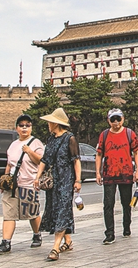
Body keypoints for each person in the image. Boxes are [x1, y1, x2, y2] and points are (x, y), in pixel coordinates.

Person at [33, 107, 81, 262]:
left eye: (50, 122)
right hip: (53, 181)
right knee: (56, 210)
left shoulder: (70, 138)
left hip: (66, 180)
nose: (48, 124)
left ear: (56, 123)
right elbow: (45, 160)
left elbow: (76, 160)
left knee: (62, 210)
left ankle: (55, 247)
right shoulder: (51, 139)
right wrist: (37, 177)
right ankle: (68, 241)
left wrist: (78, 180)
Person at [0, 114, 45, 255]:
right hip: (12, 185)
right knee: (9, 214)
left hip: (29, 184)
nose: (24, 128)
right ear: (16, 128)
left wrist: (29, 151)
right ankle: (6, 242)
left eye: (27, 125)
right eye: (21, 125)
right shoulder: (13, 145)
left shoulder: (36, 143)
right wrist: (4, 181)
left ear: (31, 128)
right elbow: (9, 164)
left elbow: (41, 161)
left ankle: (37, 234)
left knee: (32, 214)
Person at [96, 108, 138, 244]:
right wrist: (97, 172)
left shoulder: (129, 134)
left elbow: (137, 152)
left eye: (118, 119)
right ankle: (109, 233)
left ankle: (126, 225)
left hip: (126, 173)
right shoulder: (104, 135)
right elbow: (99, 154)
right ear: (108, 121)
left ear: (123, 119)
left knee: (126, 203)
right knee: (108, 204)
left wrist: (137, 170)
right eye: (112, 119)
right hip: (109, 173)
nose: (116, 122)